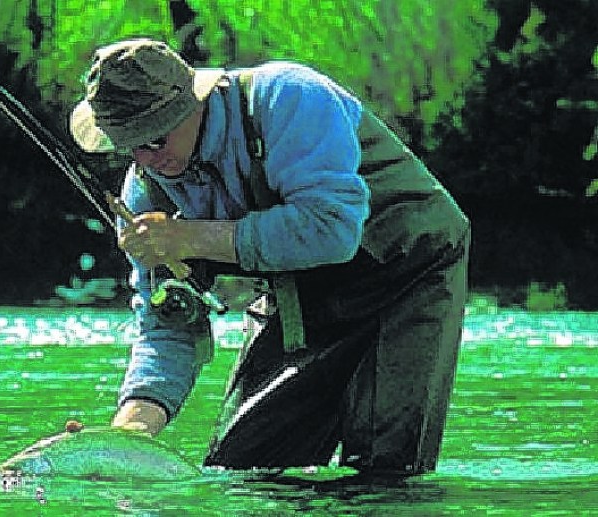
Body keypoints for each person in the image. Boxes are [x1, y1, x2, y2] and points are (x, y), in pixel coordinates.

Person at [69, 39, 470, 476]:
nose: (148, 158)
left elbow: (332, 230)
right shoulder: (144, 193)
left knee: (380, 473)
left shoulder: (289, 98)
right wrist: (129, 433)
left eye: (156, 137)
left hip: (408, 271)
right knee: (245, 476)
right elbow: (167, 328)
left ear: (194, 103)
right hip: (297, 296)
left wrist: (189, 237)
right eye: (129, 145)